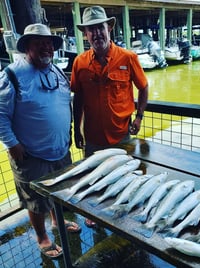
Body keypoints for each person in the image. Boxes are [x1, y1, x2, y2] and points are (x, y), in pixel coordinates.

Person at [0, 23, 81, 259]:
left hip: (60, 150)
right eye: (40, 43)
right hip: (30, 154)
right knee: (34, 200)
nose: (47, 48)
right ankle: (42, 237)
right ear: (27, 47)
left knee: (56, 190)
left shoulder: (55, 71)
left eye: (49, 43)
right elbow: (1, 114)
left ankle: (57, 221)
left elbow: (65, 103)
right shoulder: (12, 75)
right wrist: (12, 144)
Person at [70, 6, 148, 227]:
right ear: (85, 34)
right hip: (93, 137)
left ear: (109, 28)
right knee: (93, 176)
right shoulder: (80, 62)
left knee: (125, 177)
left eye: (100, 28)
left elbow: (143, 87)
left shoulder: (128, 57)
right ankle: (95, 213)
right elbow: (78, 98)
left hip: (122, 134)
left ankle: (122, 212)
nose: (97, 34)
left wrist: (139, 117)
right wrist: (77, 129)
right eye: (91, 30)